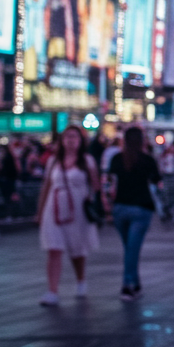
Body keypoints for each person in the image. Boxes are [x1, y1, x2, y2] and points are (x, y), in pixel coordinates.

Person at [35, 126, 99, 306]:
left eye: (75, 137)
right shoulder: (54, 161)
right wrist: (39, 212)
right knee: (54, 247)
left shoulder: (87, 161)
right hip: (54, 207)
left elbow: (96, 185)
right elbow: (46, 186)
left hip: (78, 207)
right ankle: (52, 290)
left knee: (77, 248)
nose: (71, 140)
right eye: (68, 137)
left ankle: (81, 280)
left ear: (81, 141)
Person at [108, 127, 161, 301]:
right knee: (133, 248)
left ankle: (135, 283)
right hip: (141, 207)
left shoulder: (117, 159)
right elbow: (157, 181)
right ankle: (128, 285)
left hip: (120, 208)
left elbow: (110, 181)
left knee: (129, 248)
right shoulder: (147, 160)